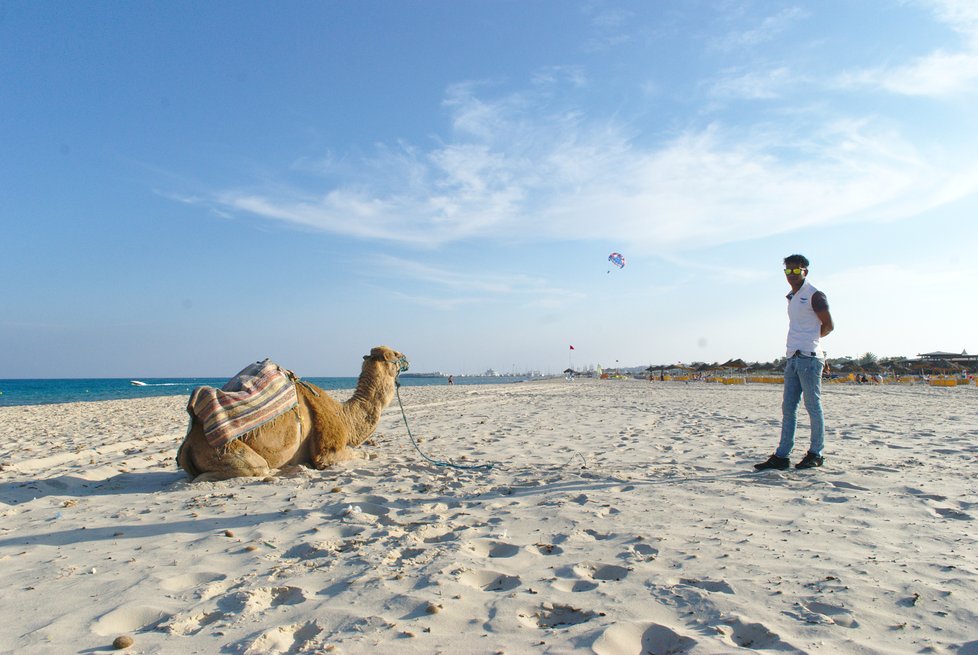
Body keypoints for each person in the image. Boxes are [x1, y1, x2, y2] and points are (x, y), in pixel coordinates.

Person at [755, 254, 834, 471]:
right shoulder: (792, 296)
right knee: (789, 408)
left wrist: (812, 342)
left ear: (805, 271)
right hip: (792, 357)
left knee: (813, 406)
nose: (791, 275)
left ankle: (816, 453)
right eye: (788, 271)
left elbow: (828, 325)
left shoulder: (814, 295)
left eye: (796, 270)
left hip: (809, 357)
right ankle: (782, 456)